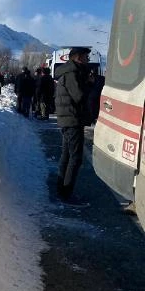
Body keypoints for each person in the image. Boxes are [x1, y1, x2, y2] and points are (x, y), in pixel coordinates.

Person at [55, 46, 92, 204]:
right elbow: (79, 96)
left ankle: (62, 189)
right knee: (75, 158)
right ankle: (66, 193)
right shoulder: (72, 73)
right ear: (77, 57)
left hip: (68, 118)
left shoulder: (68, 71)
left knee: (67, 155)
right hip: (72, 119)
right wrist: (90, 84)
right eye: (85, 57)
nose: (87, 60)